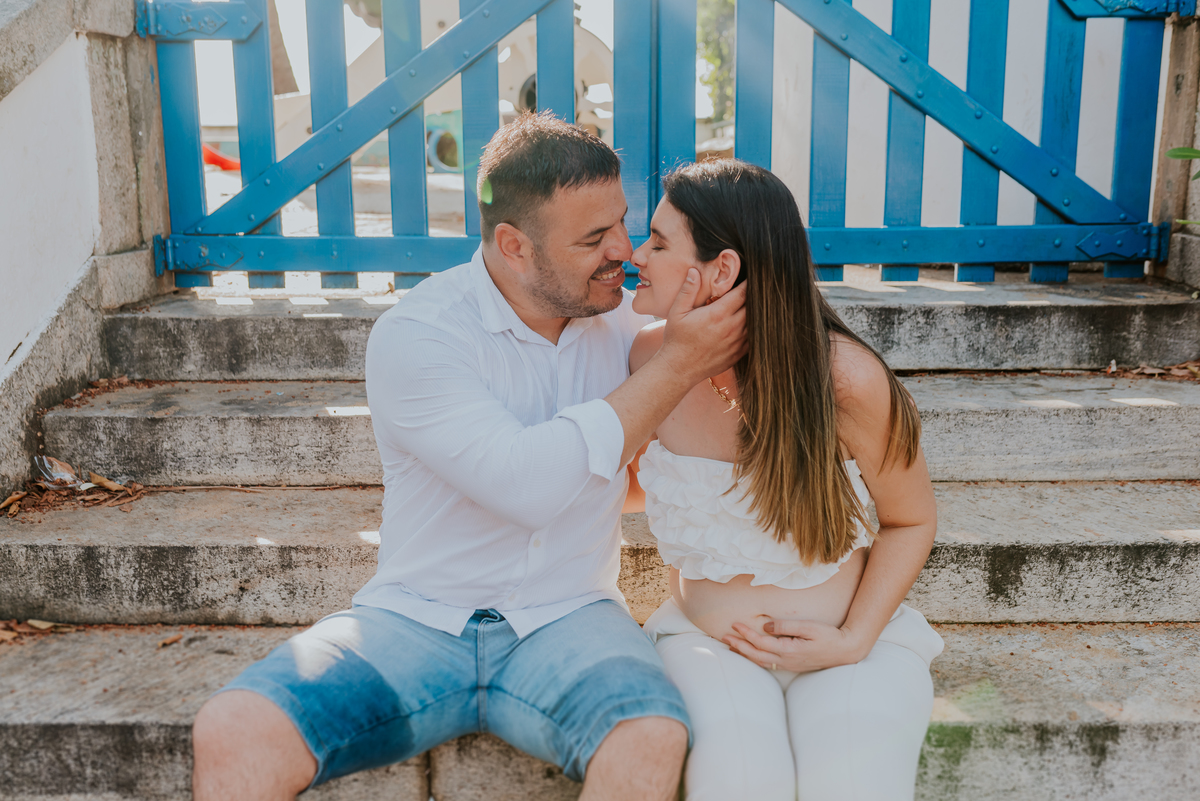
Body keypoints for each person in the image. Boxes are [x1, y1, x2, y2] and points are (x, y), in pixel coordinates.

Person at [190, 113, 748, 801]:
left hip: (570, 617)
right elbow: (523, 486)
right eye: (593, 238)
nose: (625, 251)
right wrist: (675, 368)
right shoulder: (420, 335)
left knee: (650, 732)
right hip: (417, 618)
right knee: (233, 725)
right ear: (514, 245)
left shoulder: (628, 322)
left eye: (623, 223)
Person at [626, 159, 943, 801]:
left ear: (722, 271)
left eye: (659, 242)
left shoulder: (844, 380)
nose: (638, 252)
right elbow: (644, 485)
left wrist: (853, 641)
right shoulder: (647, 360)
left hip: (852, 644)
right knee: (737, 781)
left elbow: (912, 519)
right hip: (706, 645)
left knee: (854, 785)